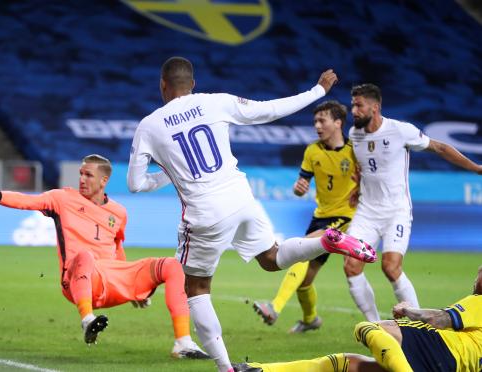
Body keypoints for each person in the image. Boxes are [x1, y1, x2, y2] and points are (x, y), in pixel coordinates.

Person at [127, 56, 377, 372]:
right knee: (271, 258)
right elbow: (269, 109)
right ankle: (326, 242)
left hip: (204, 211)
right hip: (240, 196)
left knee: (196, 289)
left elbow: (135, 184)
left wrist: (167, 174)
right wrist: (317, 90)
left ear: (162, 85)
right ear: (193, 84)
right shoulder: (215, 102)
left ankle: (225, 368)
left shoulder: (149, 125)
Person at [0, 154, 209, 359]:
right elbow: (28, 201)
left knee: (171, 266)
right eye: (81, 174)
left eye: (88, 175)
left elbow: (117, 248)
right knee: (85, 255)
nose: (82, 179)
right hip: (77, 279)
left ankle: (183, 342)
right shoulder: (62, 199)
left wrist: (131, 288)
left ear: (104, 180)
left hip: (110, 278)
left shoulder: (118, 212)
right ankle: (87, 321)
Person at [344, 83, 482, 321]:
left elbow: (439, 147)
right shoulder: (354, 134)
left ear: (374, 107)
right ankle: (375, 325)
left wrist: (476, 168)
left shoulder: (400, 131)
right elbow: (365, 166)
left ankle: (421, 325)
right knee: (351, 267)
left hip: (396, 211)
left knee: (390, 267)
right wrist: (356, 188)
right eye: (352, 105)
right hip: (367, 212)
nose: (353, 110)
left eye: (358, 105)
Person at [235, 265, 482, 372]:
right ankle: (261, 369)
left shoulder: (479, 301)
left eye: (480, 272)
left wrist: (408, 310)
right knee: (346, 364)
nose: (476, 277)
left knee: (371, 328)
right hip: (444, 365)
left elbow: (440, 319)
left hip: (438, 349)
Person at [253, 100, 359, 333]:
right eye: (315, 121)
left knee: (301, 255)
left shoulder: (355, 150)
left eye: (322, 120)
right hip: (320, 215)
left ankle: (275, 307)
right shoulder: (312, 151)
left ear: (338, 122)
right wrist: (298, 188)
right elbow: (302, 183)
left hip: (345, 217)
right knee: (305, 281)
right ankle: (311, 319)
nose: (317, 125)